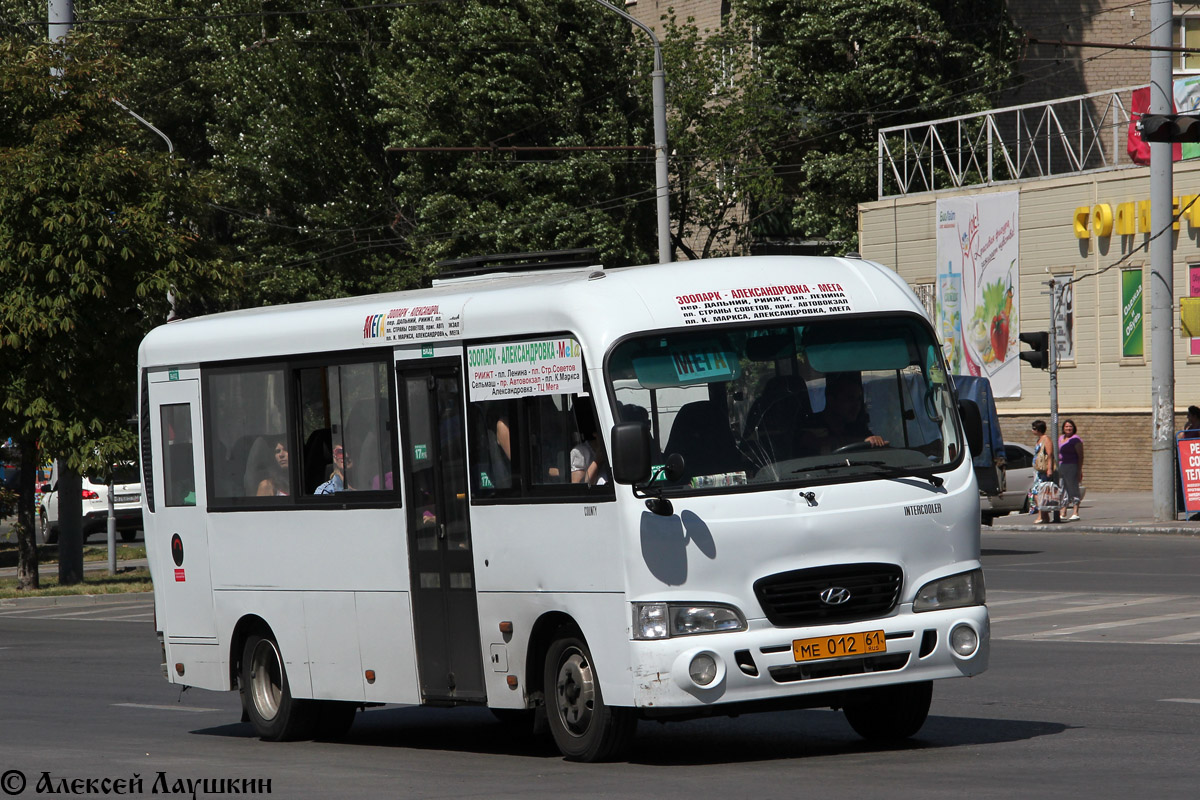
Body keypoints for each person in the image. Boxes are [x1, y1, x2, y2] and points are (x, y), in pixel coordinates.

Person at [810, 371, 888, 453]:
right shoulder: (813, 423)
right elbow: (815, 442)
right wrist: (863, 441)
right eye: (850, 399)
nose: (856, 405)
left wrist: (878, 443)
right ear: (831, 401)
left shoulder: (857, 427)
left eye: (858, 399)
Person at [1028, 420, 1058, 524]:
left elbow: (1050, 455)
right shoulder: (1039, 440)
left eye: (1034, 428)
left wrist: (1049, 469)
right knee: (1037, 492)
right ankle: (1044, 516)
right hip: (1037, 471)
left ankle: (1041, 515)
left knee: (1039, 493)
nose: (1032, 430)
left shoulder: (1046, 439)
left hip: (1043, 472)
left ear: (1039, 429)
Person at [1057, 419, 1084, 521]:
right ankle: (1063, 511)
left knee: (1072, 487)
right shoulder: (1060, 438)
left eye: (1070, 427)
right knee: (1062, 487)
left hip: (1072, 465)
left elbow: (1080, 456)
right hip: (1061, 465)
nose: (1068, 428)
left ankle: (1075, 511)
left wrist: (1079, 470)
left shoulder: (1076, 439)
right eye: (1066, 426)